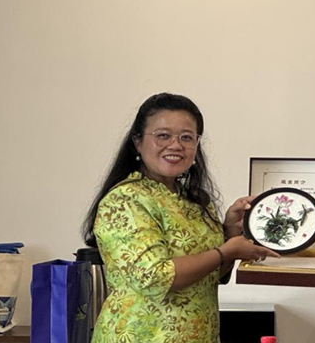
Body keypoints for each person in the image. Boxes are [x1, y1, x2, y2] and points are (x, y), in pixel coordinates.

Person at [81, 93, 279, 343]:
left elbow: (212, 275)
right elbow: (154, 278)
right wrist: (225, 251)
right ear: (138, 142)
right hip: (143, 335)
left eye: (186, 137)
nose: (175, 145)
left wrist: (230, 231)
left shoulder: (195, 200)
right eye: (163, 135)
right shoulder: (125, 200)